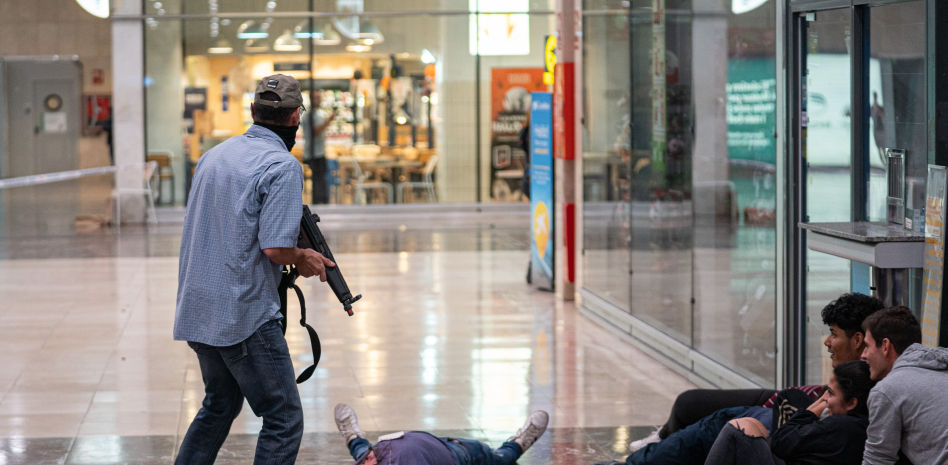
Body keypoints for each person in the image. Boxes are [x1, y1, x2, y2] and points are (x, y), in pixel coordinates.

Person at [173, 74, 335, 465]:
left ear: (252, 111)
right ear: (296, 116)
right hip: (243, 315)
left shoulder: (214, 156)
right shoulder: (281, 165)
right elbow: (276, 248)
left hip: (199, 307)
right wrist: (305, 257)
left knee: (219, 404)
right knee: (283, 418)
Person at [594, 293, 883, 465]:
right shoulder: (855, 376)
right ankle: (658, 445)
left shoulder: (859, 392)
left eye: (833, 334)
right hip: (779, 407)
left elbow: (793, 440)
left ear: (858, 340)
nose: (827, 343)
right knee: (691, 404)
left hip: (773, 419)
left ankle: (648, 456)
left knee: (728, 424)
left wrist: (809, 410)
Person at [704, 360, 875, 465]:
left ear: (852, 403)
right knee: (751, 424)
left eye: (831, 393)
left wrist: (810, 411)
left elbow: (781, 443)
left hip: (786, 452)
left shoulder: (840, 426)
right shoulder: (862, 425)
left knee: (736, 430)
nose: (825, 400)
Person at [860, 306, 948, 465]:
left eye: (867, 346)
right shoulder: (941, 369)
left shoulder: (888, 390)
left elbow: (877, 459)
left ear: (885, 346)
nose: (863, 355)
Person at [334, 403, 549, 465]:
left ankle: (353, 438)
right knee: (500, 459)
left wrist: (368, 455)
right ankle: (519, 443)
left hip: (438, 445)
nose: (368, 459)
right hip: (462, 455)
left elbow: (368, 457)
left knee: (361, 450)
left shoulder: (368, 458)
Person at [303, 91, 337, 204]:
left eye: (319, 98)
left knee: (320, 179)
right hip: (314, 153)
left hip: (318, 152)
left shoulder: (316, 114)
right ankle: (319, 202)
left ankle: (321, 201)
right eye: (316, 98)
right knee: (319, 180)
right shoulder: (310, 115)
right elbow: (316, 131)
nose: (319, 100)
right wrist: (329, 120)